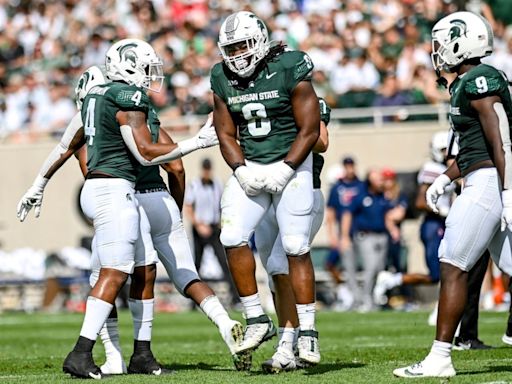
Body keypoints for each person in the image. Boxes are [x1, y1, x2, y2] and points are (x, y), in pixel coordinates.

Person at [18, 61, 243, 375]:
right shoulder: (125, 109)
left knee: (122, 270)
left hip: (113, 194)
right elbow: (147, 155)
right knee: (126, 272)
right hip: (122, 192)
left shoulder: (95, 110)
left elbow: (66, 149)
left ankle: (126, 356)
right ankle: (88, 352)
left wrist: (38, 184)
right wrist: (196, 143)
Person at [394, 12, 512, 378]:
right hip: (485, 176)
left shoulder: (480, 79)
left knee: (453, 262)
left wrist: (508, 192)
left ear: (462, 43)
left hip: (491, 182)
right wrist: (444, 179)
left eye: (443, 42)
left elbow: (501, 140)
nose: (437, 50)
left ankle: (441, 357)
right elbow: (474, 149)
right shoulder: (464, 82)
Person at [211, 11, 320, 370]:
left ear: (259, 40)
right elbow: (225, 132)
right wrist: (240, 169)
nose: (237, 54)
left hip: (293, 164)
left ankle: (308, 330)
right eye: (230, 48)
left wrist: (288, 168)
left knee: (293, 246)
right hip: (254, 165)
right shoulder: (221, 76)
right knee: (231, 236)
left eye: (242, 45)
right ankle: (257, 317)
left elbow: (310, 129)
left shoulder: (290, 65)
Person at [255, 97, 330, 372]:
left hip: (302, 193)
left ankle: (290, 344)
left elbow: (321, 141)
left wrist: (284, 129)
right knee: (274, 277)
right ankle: (290, 342)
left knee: (280, 263)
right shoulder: (250, 95)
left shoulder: (306, 98)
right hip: (265, 195)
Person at [374, 132, 455, 304]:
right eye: (442, 149)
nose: (445, 153)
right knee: (436, 275)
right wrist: (443, 211)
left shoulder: (446, 166)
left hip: (443, 223)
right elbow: (420, 202)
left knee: (449, 270)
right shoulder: (432, 168)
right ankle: (392, 280)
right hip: (433, 225)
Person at [184, 158, 239, 304]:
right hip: (199, 227)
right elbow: (188, 207)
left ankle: (235, 298)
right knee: (197, 265)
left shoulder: (217, 184)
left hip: (214, 228)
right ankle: (193, 301)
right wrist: (199, 225)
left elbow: (222, 205)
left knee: (224, 263)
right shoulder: (194, 185)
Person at [340, 169, 394, 311]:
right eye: (377, 179)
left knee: (379, 269)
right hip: (365, 236)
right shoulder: (361, 196)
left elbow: (390, 215)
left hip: (382, 236)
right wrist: (344, 236)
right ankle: (365, 300)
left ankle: (373, 298)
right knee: (370, 268)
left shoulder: (383, 197)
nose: (381, 181)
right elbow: (347, 214)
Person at [325, 156, 365, 304]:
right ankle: (346, 292)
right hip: (343, 234)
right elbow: (330, 213)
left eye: (351, 165)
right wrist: (332, 236)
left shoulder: (361, 185)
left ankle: (362, 296)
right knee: (333, 263)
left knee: (364, 265)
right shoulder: (337, 188)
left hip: (361, 231)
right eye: (347, 166)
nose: (350, 169)